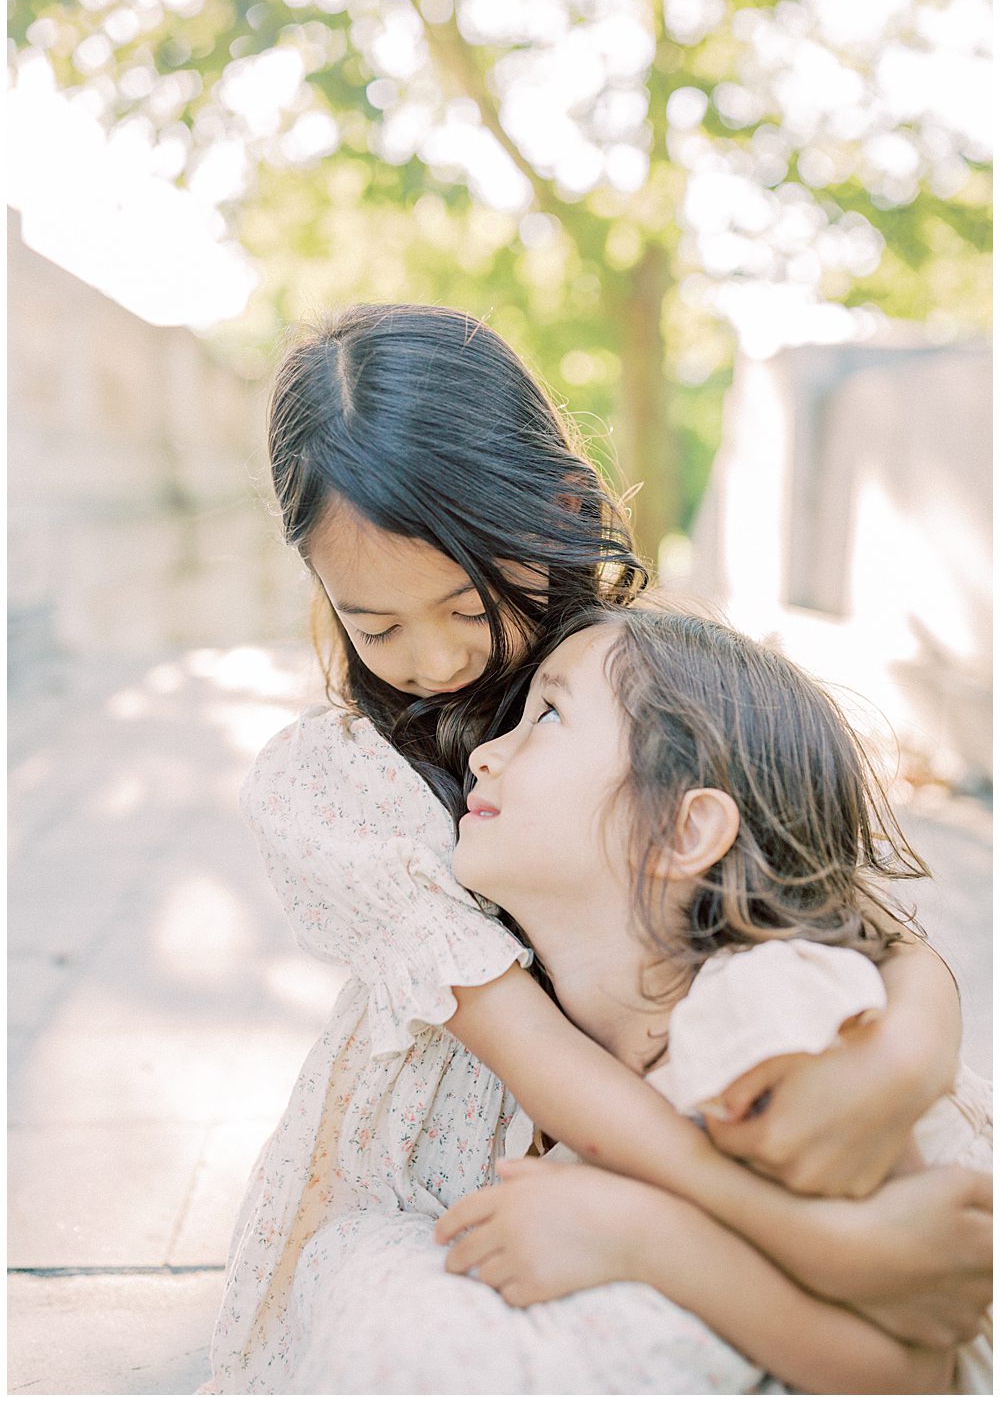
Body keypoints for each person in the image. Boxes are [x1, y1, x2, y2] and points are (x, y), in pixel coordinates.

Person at [201, 305, 982, 1392]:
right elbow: (540, 1058)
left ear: (562, 511)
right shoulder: (335, 783)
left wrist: (905, 1061)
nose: (432, 661)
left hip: (684, 1105)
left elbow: (848, 909)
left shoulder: (623, 672)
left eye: (466, 604)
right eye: (375, 625)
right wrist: (829, 1248)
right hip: (499, 1153)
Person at [435, 607, 992, 1393]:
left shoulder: (768, 1011)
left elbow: (914, 1374)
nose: (485, 753)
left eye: (548, 714)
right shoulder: (591, 1038)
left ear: (684, 829)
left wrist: (644, 1238)